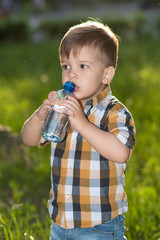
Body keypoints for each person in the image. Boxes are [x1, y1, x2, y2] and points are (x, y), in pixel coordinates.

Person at [21, 20, 135, 240]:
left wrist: (82, 123)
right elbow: (28, 139)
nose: (71, 74)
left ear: (106, 75)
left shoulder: (115, 112)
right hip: (61, 222)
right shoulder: (62, 109)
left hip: (99, 225)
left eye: (83, 66)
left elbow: (121, 153)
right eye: (66, 66)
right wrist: (39, 116)